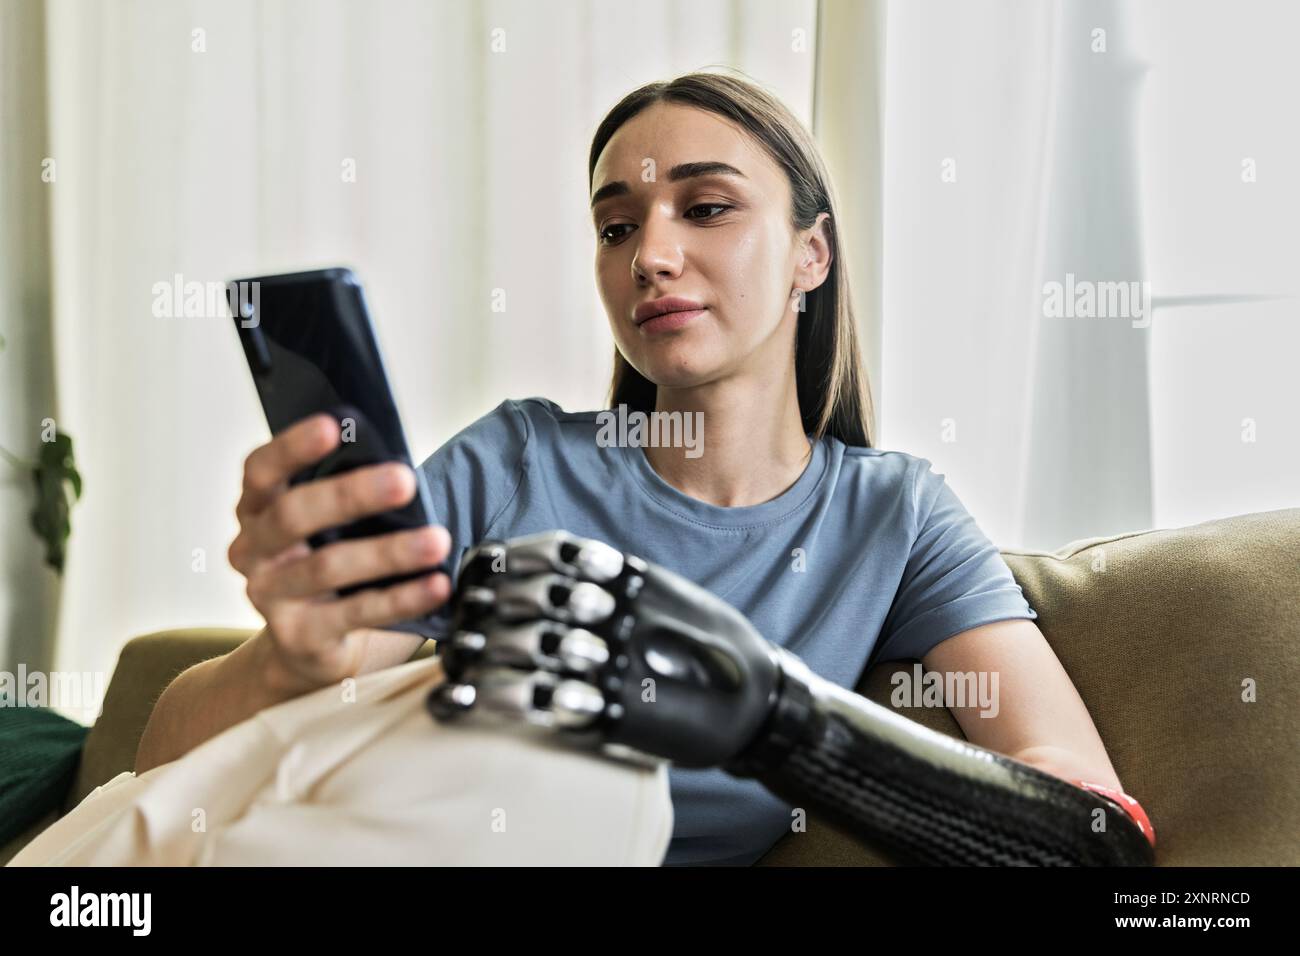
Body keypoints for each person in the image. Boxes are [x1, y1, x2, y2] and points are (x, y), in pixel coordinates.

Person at [134, 69, 1150, 867]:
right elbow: (161, 771)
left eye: (705, 208)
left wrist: (782, 722)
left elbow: (1086, 812)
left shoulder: (894, 515)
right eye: (617, 225)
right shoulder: (516, 461)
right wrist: (288, 662)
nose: (648, 255)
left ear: (811, 253)